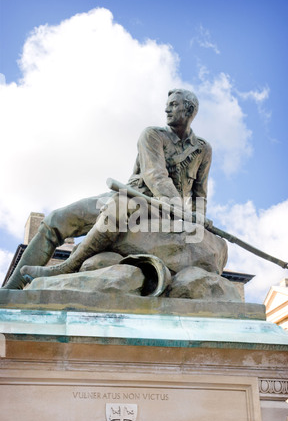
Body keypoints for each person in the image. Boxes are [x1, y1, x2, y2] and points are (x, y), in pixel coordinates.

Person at [3, 89, 212, 289]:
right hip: (133, 194)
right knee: (55, 220)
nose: (167, 110)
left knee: (119, 206)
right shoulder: (152, 135)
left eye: (173, 105)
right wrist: (183, 210)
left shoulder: (202, 149)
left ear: (189, 110)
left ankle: (67, 266)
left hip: (159, 210)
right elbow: (155, 176)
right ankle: (12, 288)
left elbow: (199, 192)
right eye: (167, 105)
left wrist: (198, 218)